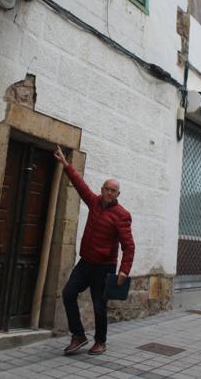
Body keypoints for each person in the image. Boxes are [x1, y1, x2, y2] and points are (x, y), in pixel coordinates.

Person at [54, 145, 135, 356]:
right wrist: (65, 164)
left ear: (118, 194)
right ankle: (78, 335)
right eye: (106, 188)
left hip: (104, 267)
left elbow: (129, 246)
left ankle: (100, 341)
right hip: (86, 263)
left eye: (113, 190)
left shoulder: (121, 215)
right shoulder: (94, 202)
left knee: (99, 306)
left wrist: (124, 270)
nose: (109, 192)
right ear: (102, 190)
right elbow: (80, 186)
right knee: (68, 294)